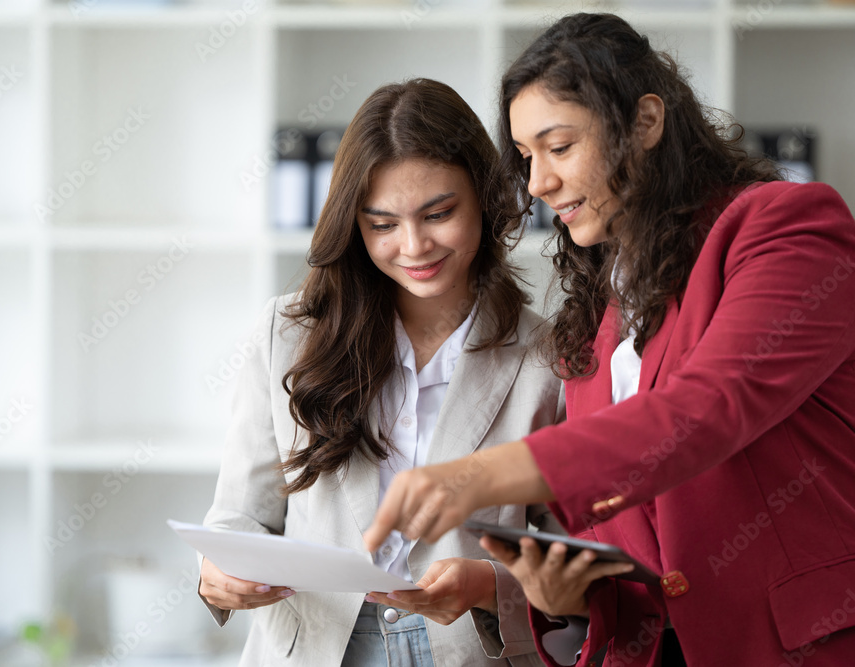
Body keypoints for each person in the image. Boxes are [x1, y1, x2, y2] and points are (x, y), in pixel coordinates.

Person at [363, 13, 855, 667]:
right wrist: (553, 592)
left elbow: (707, 407)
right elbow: (634, 560)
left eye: (559, 147)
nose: (537, 183)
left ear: (646, 122)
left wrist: (479, 475)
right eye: (528, 158)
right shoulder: (602, 314)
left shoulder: (784, 228)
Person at [196, 78, 566, 667]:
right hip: (315, 645)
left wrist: (491, 586)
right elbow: (240, 515)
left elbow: (573, 569)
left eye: (439, 213)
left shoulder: (547, 358)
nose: (414, 246)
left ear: (486, 199)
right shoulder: (288, 336)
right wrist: (215, 575)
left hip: (467, 650)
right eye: (382, 224)